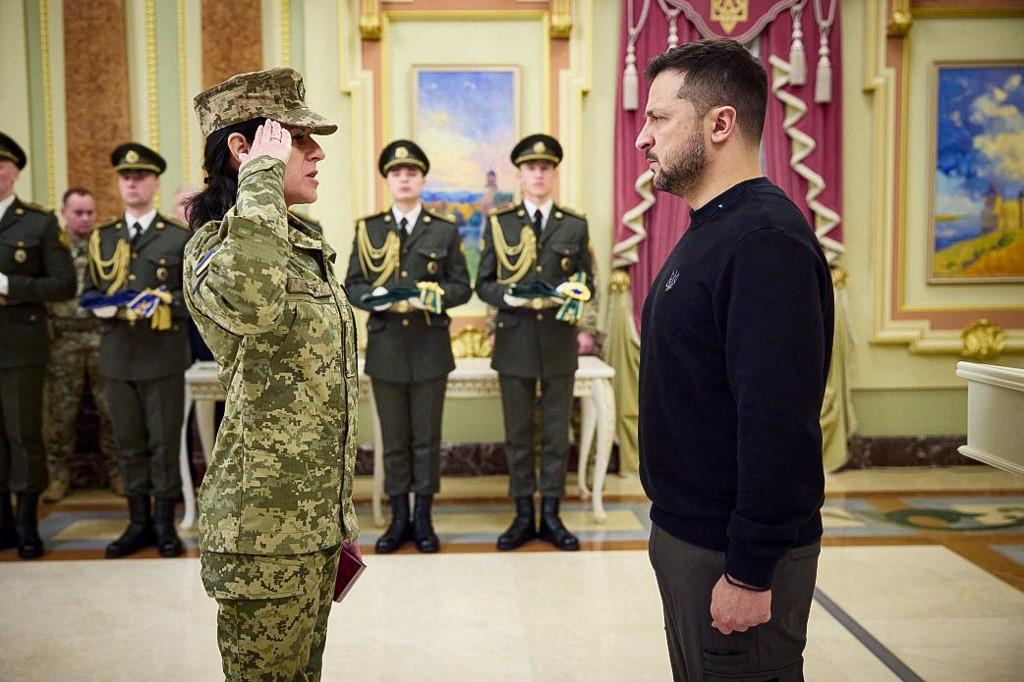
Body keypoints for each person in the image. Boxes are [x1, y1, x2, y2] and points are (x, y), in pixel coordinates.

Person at [635, 39, 834, 681]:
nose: (643, 138)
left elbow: (778, 422)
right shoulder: (715, 229)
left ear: (720, 123)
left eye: (659, 117)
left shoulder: (763, 241)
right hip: (693, 537)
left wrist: (749, 569)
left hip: (732, 554)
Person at [184, 67, 360, 680]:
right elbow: (251, 302)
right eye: (297, 139)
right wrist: (259, 179)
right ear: (243, 148)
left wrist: (338, 521)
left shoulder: (296, 241)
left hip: (311, 525)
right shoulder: (215, 245)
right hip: (261, 536)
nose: (317, 153)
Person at [344, 139, 471, 554]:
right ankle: (398, 517)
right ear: (387, 180)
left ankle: (424, 518)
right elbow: (354, 285)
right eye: (396, 173)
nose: (404, 178)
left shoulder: (444, 230)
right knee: (395, 439)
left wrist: (433, 296)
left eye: (411, 173)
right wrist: (376, 298)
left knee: (427, 439)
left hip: (430, 345)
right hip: (386, 347)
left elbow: (460, 286)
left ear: (421, 180)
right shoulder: (370, 229)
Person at [475, 133, 595, 552]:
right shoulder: (500, 223)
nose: (538, 173)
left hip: (559, 341)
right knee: (519, 433)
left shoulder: (574, 225)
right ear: (521, 174)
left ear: (553, 173)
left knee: (557, 434)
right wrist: (507, 297)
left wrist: (576, 296)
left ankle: (554, 515)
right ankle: (524, 514)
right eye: (531, 167)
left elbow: (587, 281)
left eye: (545, 167)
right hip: (515, 341)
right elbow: (484, 283)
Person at [83, 142, 192, 558]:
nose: (132, 182)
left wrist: (165, 302)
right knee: (127, 442)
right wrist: (102, 305)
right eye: (125, 177)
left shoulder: (176, 236)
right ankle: (137, 522)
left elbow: (193, 297)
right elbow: (89, 291)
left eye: (140, 176)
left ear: (154, 183)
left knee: (164, 442)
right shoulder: (102, 237)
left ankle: (164, 525)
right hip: (117, 352)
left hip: (162, 353)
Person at [0, 132, 76, 559]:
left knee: (24, 436)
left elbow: (64, 283)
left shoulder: (38, 222)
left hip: (20, 347)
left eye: (1, 167)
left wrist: (11, 284)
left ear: (14, 172)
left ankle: (28, 526)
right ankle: (2, 526)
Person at [42, 187, 121, 502]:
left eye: (90, 212)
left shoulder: (104, 245)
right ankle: (58, 476)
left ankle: (118, 473)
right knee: (61, 414)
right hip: (63, 338)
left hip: (101, 335)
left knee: (111, 410)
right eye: (78, 213)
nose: (86, 218)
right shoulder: (51, 246)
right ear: (64, 213)